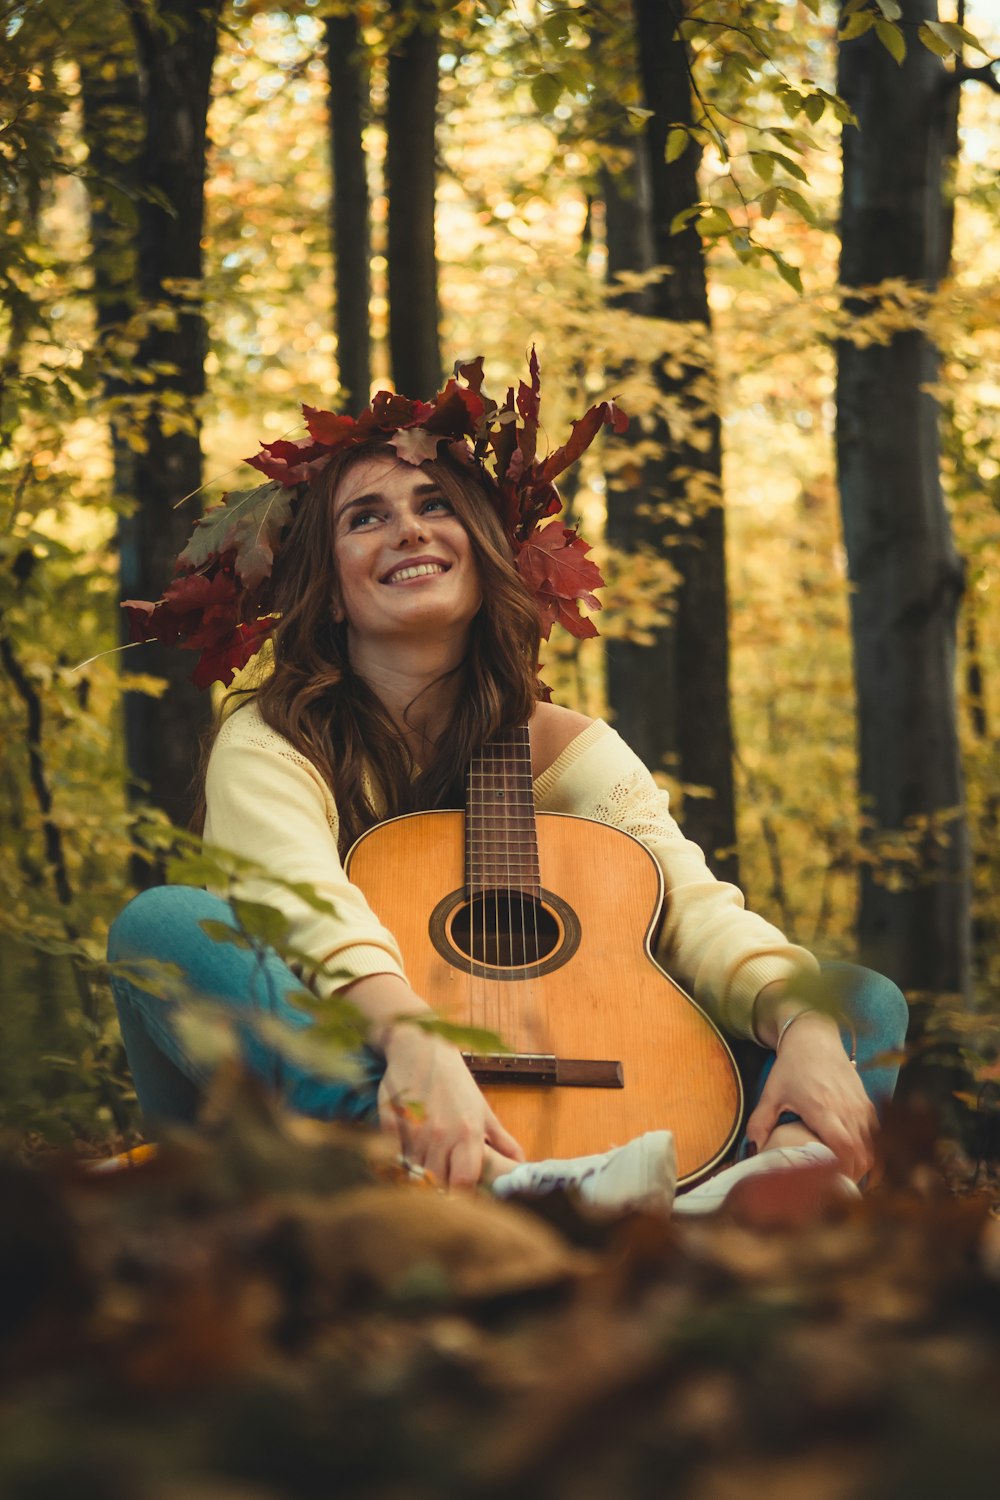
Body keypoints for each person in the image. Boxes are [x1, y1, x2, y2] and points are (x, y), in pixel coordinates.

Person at [108, 355, 908, 1216]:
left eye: (435, 505)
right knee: (161, 926)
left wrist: (808, 1029)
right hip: (358, 1088)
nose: (407, 530)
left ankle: (774, 1177)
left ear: (485, 555)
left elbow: (696, 913)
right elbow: (297, 904)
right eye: (365, 518)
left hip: (595, 1088)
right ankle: (479, 1177)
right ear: (328, 592)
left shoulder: (568, 750)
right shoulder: (275, 737)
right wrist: (417, 1049)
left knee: (857, 1000)